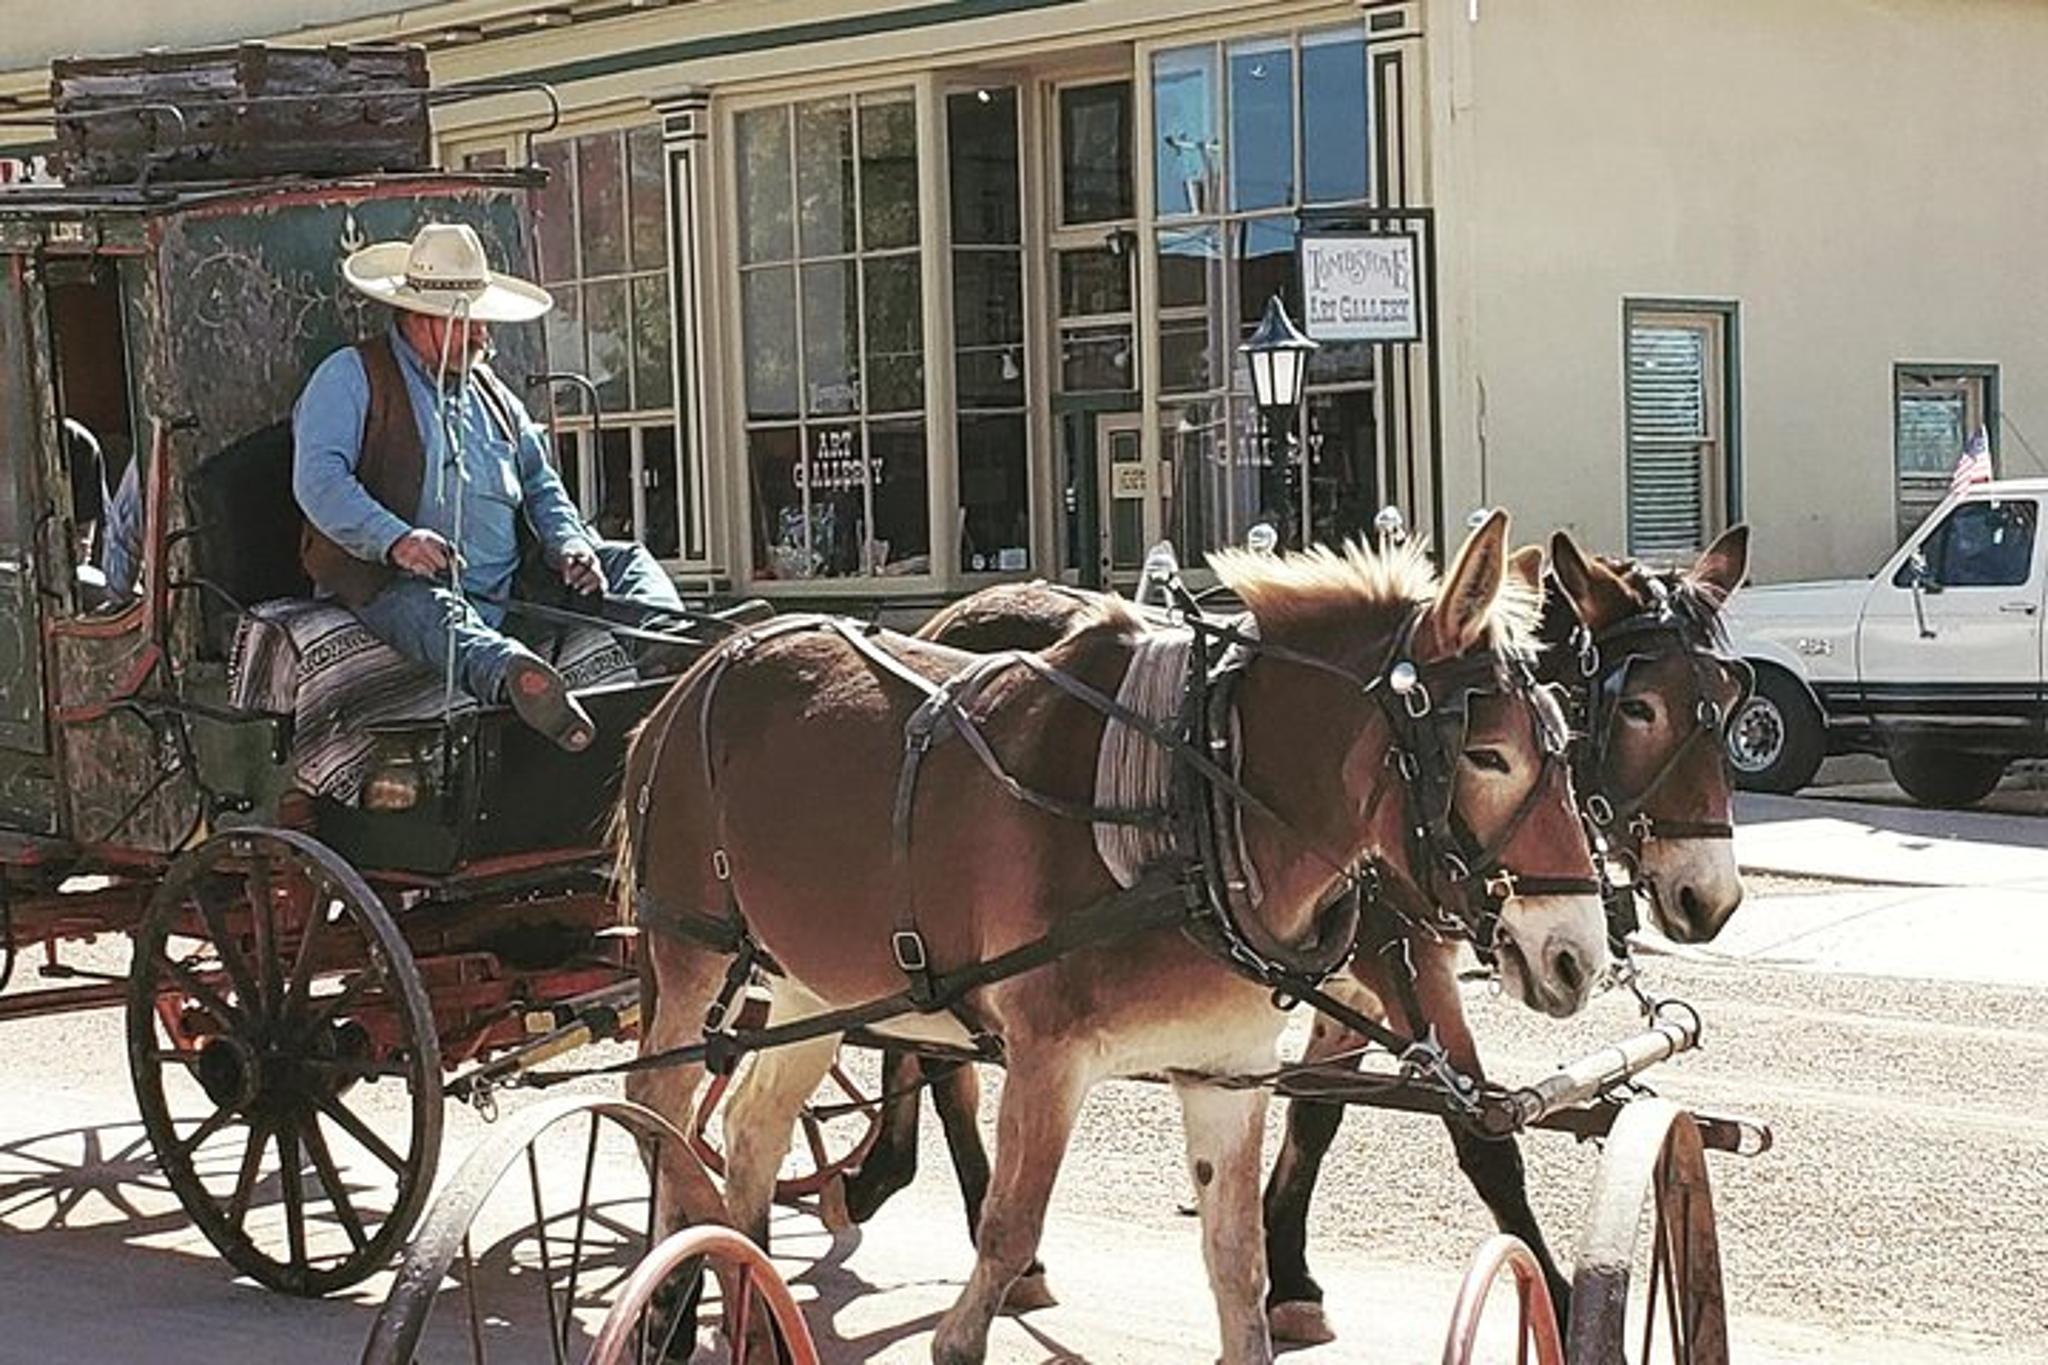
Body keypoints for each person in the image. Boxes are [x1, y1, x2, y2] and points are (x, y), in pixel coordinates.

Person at [292, 222, 686, 751]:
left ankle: (674, 643)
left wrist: (569, 543)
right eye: (471, 322)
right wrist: (398, 540)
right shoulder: (351, 376)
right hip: (394, 581)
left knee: (626, 561)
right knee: (427, 610)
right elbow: (319, 482)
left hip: (510, 584)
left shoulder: (494, 395)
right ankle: (513, 678)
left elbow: (542, 485)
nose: (483, 337)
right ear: (419, 317)